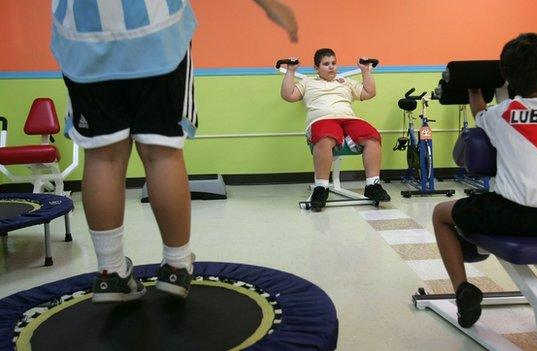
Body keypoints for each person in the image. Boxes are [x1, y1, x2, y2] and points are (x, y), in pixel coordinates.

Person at [50, 0, 298, 303]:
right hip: (156, 32)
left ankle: (110, 272)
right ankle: (177, 265)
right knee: (161, 153)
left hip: (83, 37)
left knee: (103, 155)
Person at [431, 33, 537, 327]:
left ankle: (463, 290)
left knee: (440, 214)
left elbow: (480, 110)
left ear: (507, 77)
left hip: (508, 217)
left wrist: (473, 89)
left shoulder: (502, 114)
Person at [280, 48, 391, 210]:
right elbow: (288, 95)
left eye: (333, 63)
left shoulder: (345, 81)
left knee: (372, 136)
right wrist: (290, 71)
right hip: (322, 119)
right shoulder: (307, 82)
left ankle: (372, 185)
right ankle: (321, 188)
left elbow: (369, 93)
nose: (331, 67)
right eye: (326, 64)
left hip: (349, 119)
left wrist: (365, 71)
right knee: (325, 137)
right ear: (316, 68)